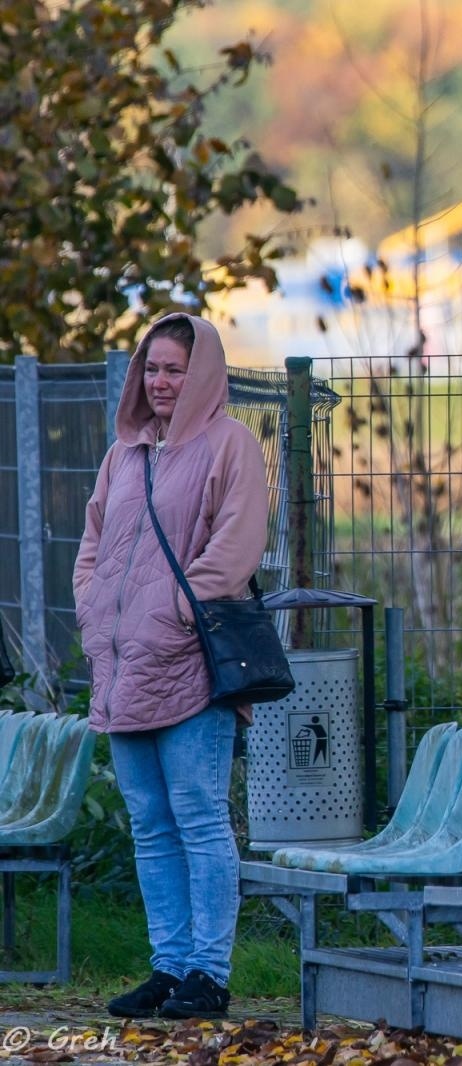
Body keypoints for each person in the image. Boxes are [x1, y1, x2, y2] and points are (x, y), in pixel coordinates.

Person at [74, 313, 269, 1020]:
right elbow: (93, 541)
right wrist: (94, 610)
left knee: (199, 818)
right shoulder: (124, 454)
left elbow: (236, 543)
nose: (160, 382)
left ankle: (209, 974)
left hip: (189, 668)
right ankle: (169, 965)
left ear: (203, 374)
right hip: (123, 668)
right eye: (151, 368)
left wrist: (176, 615)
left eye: (174, 370)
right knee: (151, 824)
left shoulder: (230, 444)